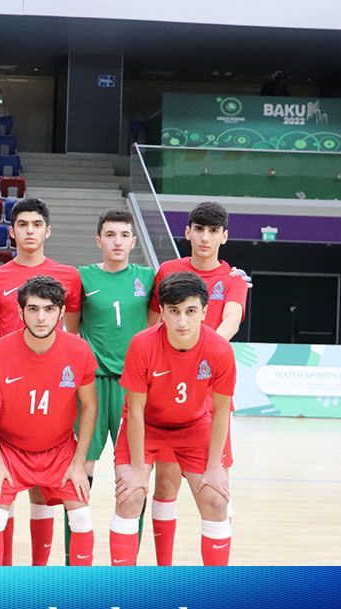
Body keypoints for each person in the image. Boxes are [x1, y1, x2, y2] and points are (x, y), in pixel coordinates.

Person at [110, 271, 236, 566]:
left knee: (216, 500)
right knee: (130, 496)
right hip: (147, 426)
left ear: (204, 312)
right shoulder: (142, 344)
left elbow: (220, 412)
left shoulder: (220, 350)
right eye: (174, 311)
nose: (182, 322)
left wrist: (214, 467)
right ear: (162, 312)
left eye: (190, 311)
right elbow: (135, 411)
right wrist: (138, 469)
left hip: (194, 428)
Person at [146, 201, 248, 565]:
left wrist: (198, 354)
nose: (205, 237)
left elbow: (231, 320)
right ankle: (164, 570)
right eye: (199, 229)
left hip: (209, 393)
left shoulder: (234, 279)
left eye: (213, 231)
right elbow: (153, 323)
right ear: (187, 232)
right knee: (165, 484)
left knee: (217, 487)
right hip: (167, 393)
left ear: (224, 236)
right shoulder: (168, 271)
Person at [0, 196, 83, 564]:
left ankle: (38, 568)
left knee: (43, 490)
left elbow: (72, 329)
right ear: (11, 232)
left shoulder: (69, 276)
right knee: (2, 488)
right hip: (9, 389)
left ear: (48, 231)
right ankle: (4, 570)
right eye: (22, 225)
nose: (30, 231)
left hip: (53, 393)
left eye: (36, 225)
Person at [0, 276, 98, 566]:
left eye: (49, 309)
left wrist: (78, 462)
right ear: (20, 312)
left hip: (59, 449)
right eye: (33, 309)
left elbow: (90, 406)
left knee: (82, 516)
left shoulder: (80, 351)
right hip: (10, 449)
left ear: (61, 312)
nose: (41, 317)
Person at [64, 209, 155, 564]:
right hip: (92, 387)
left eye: (124, 235)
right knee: (79, 472)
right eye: (110, 235)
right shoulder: (83, 277)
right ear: (98, 240)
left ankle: (127, 562)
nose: (117, 241)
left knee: (133, 476)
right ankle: (75, 561)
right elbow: (72, 328)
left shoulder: (148, 278)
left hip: (134, 389)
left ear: (133, 241)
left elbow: (155, 323)